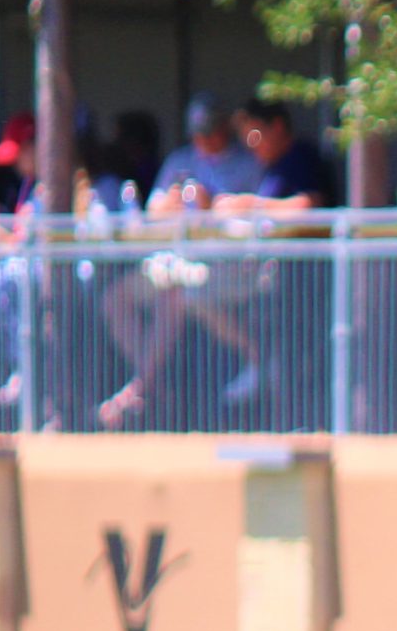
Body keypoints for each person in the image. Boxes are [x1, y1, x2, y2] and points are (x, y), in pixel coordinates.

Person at [97, 99, 336, 427]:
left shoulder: (269, 160)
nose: (205, 141)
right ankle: (147, 383)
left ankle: (245, 362)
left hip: (242, 266)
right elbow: (153, 215)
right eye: (198, 134)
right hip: (181, 257)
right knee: (124, 297)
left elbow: (308, 207)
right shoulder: (184, 161)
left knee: (184, 295)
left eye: (213, 132)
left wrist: (235, 205)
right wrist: (176, 204)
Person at [147, 95, 261, 213]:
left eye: (209, 133)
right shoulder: (178, 160)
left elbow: (260, 206)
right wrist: (167, 205)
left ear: (224, 126)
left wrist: (211, 205)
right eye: (198, 134)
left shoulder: (249, 162)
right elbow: (152, 205)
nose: (204, 139)